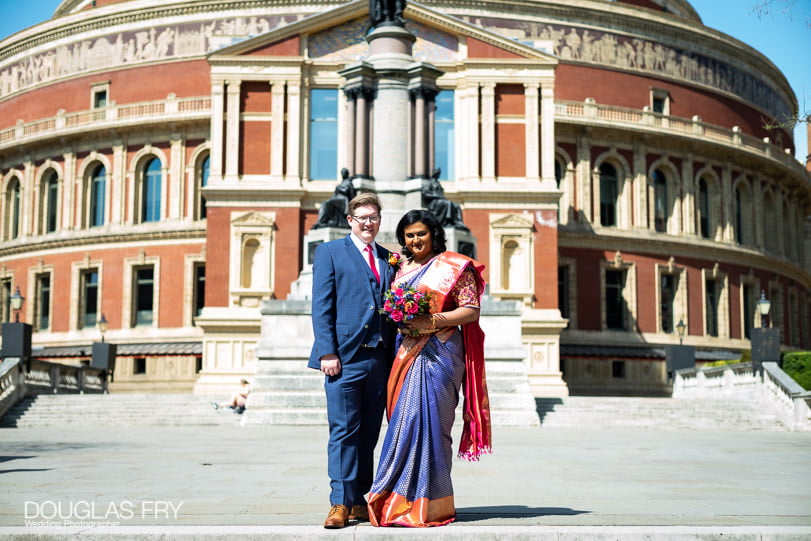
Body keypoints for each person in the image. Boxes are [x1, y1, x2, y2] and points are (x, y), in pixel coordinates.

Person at [367, 209, 492, 527]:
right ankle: (395, 498)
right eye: (409, 235)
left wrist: (431, 321)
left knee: (435, 427)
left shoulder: (454, 265)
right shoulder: (399, 266)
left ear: (433, 234)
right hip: (406, 352)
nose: (415, 240)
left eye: (421, 233)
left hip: (441, 353)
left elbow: (471, 310)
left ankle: (432, 502)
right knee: (404, 422)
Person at [308, 192, 397, 529]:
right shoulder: (331, 252)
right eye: (361, 217)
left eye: (373, 217)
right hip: (343, 359)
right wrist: (327, 351)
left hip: (380, 360)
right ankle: (338, 503)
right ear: (350, 220)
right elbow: (322, 305)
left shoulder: (389, 258)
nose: (368, 223)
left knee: (369, 434)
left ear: (379, 219)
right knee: (344, 433)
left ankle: (360, 500)